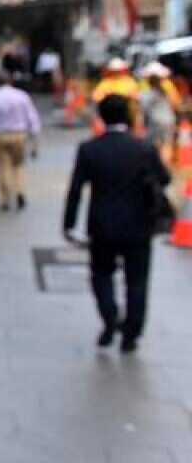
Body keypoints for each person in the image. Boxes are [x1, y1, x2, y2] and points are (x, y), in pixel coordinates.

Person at [63, 95, 170, 353]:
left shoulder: (89, 149)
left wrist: (68, 223)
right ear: (129, 117)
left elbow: (76, 189)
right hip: (139, 225)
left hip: (102, 225)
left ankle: (110, 318)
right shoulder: (144, 148)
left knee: (101, 274)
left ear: (101, 117)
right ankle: (131, 333)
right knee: (137, 280)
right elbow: (164, 179)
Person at [0, 73, 41, 211]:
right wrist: (35, 139)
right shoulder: (21, 96)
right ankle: (19, 191)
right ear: (10, 81)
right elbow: (32, 118)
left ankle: (5, 199)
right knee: (18, 165)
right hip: (19, 135)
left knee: (3, 167)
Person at [138, 63, 176, 163]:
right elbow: (174, 103)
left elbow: (142, 111)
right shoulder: (166, 91)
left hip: (155, 121)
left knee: (155, 145)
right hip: (169, 120)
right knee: (167, 144)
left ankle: (158, 167)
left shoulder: (145, 95)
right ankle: (165, 166)